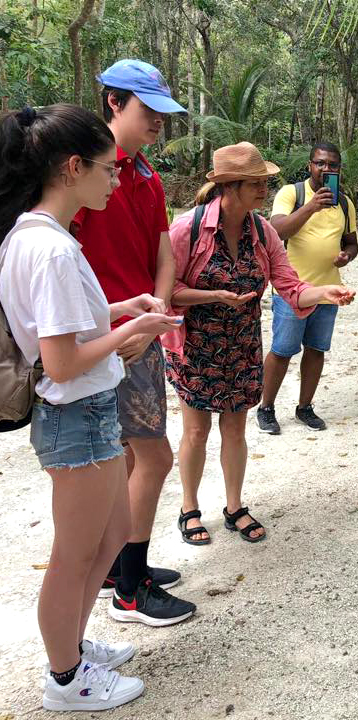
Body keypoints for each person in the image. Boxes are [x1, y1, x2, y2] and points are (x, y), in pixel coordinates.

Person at [0, 104, 182, 710]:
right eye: (107, 169)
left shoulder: (42, 237)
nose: (114, 180)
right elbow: (59, 361)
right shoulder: (50, 249)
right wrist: (132, 336)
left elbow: (69, 332)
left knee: (104, 544)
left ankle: (73, 647)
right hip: (74, 416)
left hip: (91, 410)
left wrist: (122, 308)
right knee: (74, 557)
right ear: (72, 168)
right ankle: (63, 679)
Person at [164, 142, 354, 545]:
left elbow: (289, 285)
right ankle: (189, 507)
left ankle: (234, 507)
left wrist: (322, 294)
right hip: (196, 345)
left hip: (242, 345)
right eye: (257, 182)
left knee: (235, 429)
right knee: (196, 432)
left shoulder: (261, 230)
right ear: (230, 186)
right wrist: (213, 297)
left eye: (265, 181)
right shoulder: (187, 228)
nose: (265, 188)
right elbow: (167, 292)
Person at [71, 59, 196, 626]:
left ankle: (117, 566)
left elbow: (163, 249)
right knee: (154, 455)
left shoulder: (145, 175)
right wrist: (115, 328)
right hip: (107, 337)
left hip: (141, 327)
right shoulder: (84, 173)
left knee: (127, 456)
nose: (157, 125)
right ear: (114, 103)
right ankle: (131, 585)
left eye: (163, 116)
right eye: (149, 112)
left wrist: (161, 309)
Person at [256, 142, 358, 434]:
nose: (327, 169)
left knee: (316, 349)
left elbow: (351, 243)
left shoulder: (345, 203)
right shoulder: (293, 193)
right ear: (309, 165)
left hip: (329, 290)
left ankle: (305, 408)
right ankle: (266, 408)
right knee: (282, 350)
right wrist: (312, 206)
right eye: (321, 163)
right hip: (292, 290)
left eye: (333, 165)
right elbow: (276, 231)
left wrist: (345, 256)